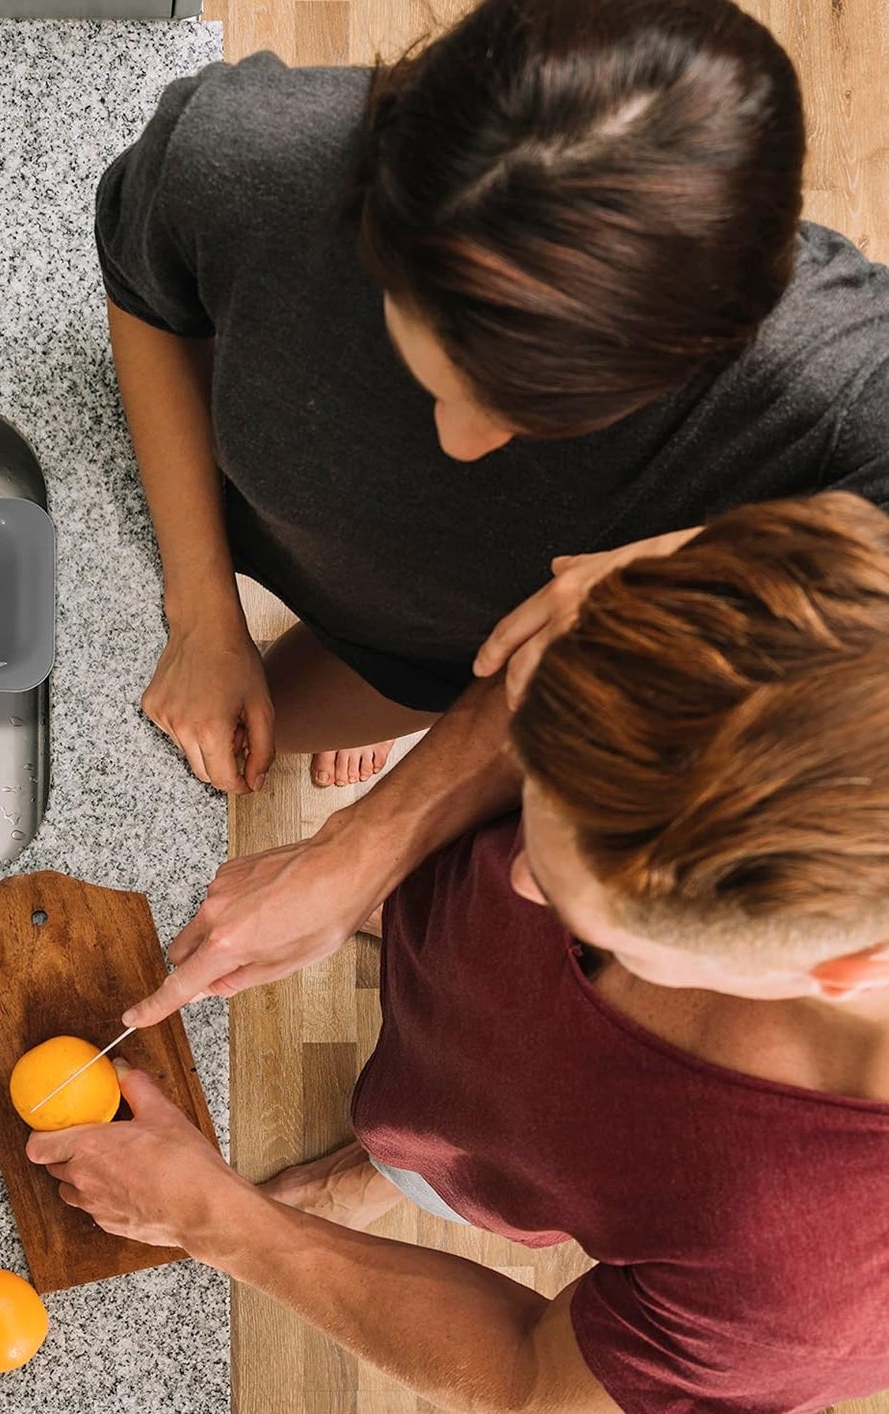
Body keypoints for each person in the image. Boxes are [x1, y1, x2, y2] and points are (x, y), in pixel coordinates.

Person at [31, 493, 889, 1414]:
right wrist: (363, 849)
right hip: (432, 962)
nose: (511, 870)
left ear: (847, 965)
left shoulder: (826, 1284)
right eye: (542, 798)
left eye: (583, 902)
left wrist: (224, 1223)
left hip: (501, 1156)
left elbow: (531, 1383)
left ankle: (383, 1171)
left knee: (429, 1165)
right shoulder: (829, 602)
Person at [97, 0, 889, 1022]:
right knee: (221, 717)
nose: (458, 442)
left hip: (442, 660)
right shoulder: (250, 157)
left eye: (541, 415)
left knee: (270, 730)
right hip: (287, 549)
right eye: (432, 369)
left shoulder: (833, 387)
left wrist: (685, 564)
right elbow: (144, 287)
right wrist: (204, 610)